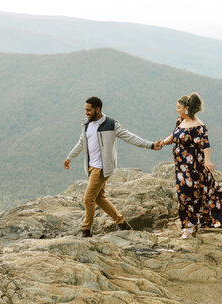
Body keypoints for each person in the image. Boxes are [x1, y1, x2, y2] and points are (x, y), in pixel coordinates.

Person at [64, 96, 163, 237]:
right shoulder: (86, 124)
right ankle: (122, 223)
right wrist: (69, 157)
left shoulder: (111, 124)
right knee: (99, 198)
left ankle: (86, 230)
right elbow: (81, 143)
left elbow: (130, 137)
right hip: (91, 167)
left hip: (102, 168)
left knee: (88, 198)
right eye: (85, 110)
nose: (86, 112)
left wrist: (151, 145)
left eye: (89, 110)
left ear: (97, 109)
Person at [155, 93, 222, 239]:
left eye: (179, 107)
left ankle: (189, 227)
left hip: (193, 167)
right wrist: (162, 142)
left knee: (189, 194)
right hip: (181, 168)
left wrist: (207, 161)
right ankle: (189, 226)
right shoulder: (181, 120)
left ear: (187, 108)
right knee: (183, 195)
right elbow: (174, 136)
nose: (177, 110)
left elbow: (205, 145)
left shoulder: (198, 126)